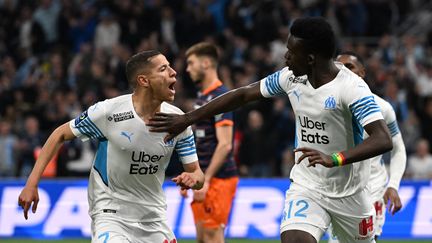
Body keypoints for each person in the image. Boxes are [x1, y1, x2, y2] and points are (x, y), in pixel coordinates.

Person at [148, 17, 393, 243]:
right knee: (294, 238)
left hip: (351, 195)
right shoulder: (291, 77)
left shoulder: (351, 88)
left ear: (310, 59)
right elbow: (244, 94)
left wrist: (335, 158)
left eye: (291, 52)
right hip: (308, 186)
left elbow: (382, 138)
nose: (286, 57)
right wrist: (188, 118)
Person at [18, 50, 204, 243]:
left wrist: (193, 178)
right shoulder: (109, 112)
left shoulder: (178, 121)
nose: (174, 72)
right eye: (164, 68)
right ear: (144, 80)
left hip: (154, 218)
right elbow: (60, 134)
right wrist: (32, 183)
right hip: (111, 214)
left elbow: (198, 175)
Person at [326, 52, 407, 241]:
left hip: (372, 189)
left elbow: (398, 148)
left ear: (362, 73)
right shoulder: (325, 106)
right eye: (338, 66)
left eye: (350, 66)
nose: (343, 70)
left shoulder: (382, 108)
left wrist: (393, 185)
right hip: (336, 190)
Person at [183, 42, 238, 243]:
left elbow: (225, 144)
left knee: (212, 236)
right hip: (202, 177)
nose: (187, 69)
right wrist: (191, 175)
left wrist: (206, 179)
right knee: (201, 238)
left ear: (206, 63)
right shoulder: (202, 98)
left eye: (191, 63)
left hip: (218, 179)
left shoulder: (221, 96)